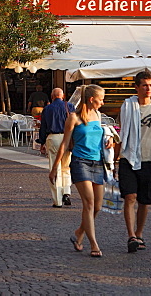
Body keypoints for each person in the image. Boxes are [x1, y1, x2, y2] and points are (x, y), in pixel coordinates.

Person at [49, 84, 112, 258]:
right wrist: (55, 168)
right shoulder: (74, 118)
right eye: (101, 99)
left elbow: (99, 137)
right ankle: (94, 244)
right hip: (80, 162)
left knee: (97, 206)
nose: (103, 102)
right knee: (89, 203)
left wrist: (108, 142)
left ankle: (79, 233)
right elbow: (64, 144)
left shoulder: (98, 115)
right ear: (92, 99)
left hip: (97, 162)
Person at [116, 71, 151, 254]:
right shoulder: (127, 107)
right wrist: (113, 158)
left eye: (150, 85)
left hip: (149, 158)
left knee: (144, 200)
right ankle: (131, 235)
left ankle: (139, 233)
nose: (148, 89)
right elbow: (120, 133)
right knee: (130, 197)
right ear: (136, 87)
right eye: (144, 85)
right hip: (128, 157)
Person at [38, 88, 75, 207]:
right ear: (63, 96)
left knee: (55, 168)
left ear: (52, 96)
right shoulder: (70, 106)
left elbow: (43, 127)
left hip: (53, 138)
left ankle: (57, 200)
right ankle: (66, 192)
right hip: (68, 138)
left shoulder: (47, 109)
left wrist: (42, 142)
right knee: (66, 167)